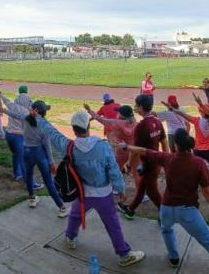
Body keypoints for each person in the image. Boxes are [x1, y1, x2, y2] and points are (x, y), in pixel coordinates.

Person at [118, 129, 209, 271]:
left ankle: (173, 258)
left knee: (166, 230)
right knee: (206, 239)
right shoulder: (198, 163)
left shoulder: (167, 158)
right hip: (187, 211)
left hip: (166, 208)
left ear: (176, 145)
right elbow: (206, 190)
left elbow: (143, 151)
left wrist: (126, 147)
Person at [34, 110, 146, 267]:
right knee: (113, 225)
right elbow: (113, 170)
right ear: (88, 126)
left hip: (82, 193)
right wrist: (121, 190)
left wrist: (38, 117)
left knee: (75, 216)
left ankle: (70, 238)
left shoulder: (69, 146)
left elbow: (52, 132)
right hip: (104, 195)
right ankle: (123, 255)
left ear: (74, 130)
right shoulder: (103, 146)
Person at [1, 100, 68, 217]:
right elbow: (47, 146)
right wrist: (51, 162)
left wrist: (3, 110)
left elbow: (15, 115)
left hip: (26, 152)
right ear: (42, 113)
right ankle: (61, 207)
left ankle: (32, 198)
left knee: (29, 176)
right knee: (48, 182)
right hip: (39, 153)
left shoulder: (25, 118)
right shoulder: (44, 125)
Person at [117, 94, 167, 220]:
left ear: (140, 107)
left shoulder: (141, 126)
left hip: (149, 165)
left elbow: (135, 150)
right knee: (143, 188)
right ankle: (130, 210)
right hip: (155, 163)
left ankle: (165, 215)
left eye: (136, 105)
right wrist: (164, 161)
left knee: (152, 191)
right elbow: (164, 143)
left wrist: (128, 165)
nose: (135, 108)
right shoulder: (157, 121)